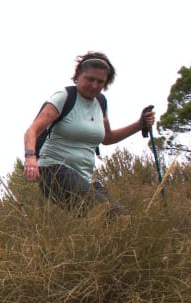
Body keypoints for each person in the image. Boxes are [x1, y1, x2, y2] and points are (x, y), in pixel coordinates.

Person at [22, 52, 155, 214]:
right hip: (54, 172)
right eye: (90, 79)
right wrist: (30, 158)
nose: (94, 85)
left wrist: (139, 124)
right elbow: (32, 131)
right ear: (78, 76)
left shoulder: (101, 102)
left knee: (122, 217)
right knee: (103, 211)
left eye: (100, 82)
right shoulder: (64, 97)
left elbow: (107, 138)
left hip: (83, 177)